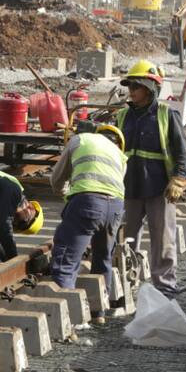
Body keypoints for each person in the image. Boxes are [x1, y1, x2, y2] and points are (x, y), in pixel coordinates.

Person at [115, 60, 186, 297]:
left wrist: (178, 179)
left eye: (136, 86)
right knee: (127, 239)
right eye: (130, 86)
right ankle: (130, 283)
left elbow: (181, 150)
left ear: (149, 88)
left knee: (163, 238)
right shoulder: (122, 116)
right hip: (130, 187)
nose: (132, 91)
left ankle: (165, 286)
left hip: (160, 188)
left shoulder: (166, 114)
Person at [49, 122, 126, 298]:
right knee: (103, 258)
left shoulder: (78, 141)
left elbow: (56, 180)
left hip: (88, 204)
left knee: (66, 261)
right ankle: (100, 313)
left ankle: (70, 316)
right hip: (115, 207)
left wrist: (66, 194)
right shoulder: (117, 151)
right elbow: (118, 182)